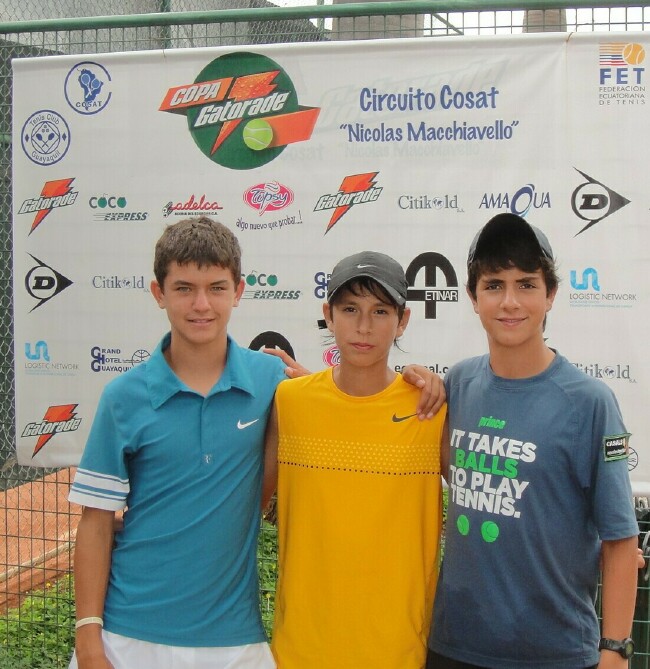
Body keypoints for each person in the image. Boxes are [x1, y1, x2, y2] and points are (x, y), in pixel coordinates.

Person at [67, 217, 444, 669]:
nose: (201, 304)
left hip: (234, 640)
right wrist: (88, 636)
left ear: (239, 291)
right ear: (158, 293)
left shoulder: (274, 383)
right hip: (129, 635)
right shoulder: (127, 397)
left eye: (216, 288)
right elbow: (94, 522)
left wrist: (421, 378)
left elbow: (344, 396)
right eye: (184, 288)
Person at [427, 213, 639, 669]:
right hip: (453, 646)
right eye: (494, 285)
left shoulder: (590, 403)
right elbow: (436, 460)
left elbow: (621, 540)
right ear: (472, 297)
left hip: (555, 652)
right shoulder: (460, 383)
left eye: (526, 284)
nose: (509, 302)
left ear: (551, 296)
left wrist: (616, 650)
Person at [263, 251, 448, 668]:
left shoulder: (431, 409)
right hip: (300, 652)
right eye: (350, 309)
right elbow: (242, 506)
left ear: (403, 320)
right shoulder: (289, 402)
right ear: (328, 315)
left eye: (380, 311)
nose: (364, 326)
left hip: (401, 653)